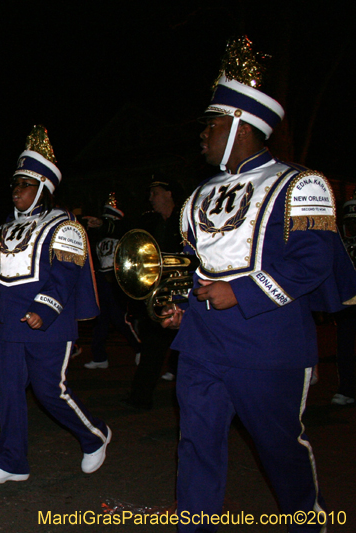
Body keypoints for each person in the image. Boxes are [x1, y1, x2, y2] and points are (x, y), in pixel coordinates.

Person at [163, 37, 356, 532]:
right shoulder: (198, 195)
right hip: (202, 344)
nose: (202, 135)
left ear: (239, 127)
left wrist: (241, 292)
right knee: (196, 444)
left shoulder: (301, 184)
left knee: (278, 449)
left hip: (269, 344)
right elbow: (198, 266)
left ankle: (306, 519)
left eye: (211, 124)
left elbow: (314, 263)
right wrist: (184, 307)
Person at [0, 125, 110, 484]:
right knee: (7, 392)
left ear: (43, 189)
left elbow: (66, 274)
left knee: (50, 390)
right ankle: (12, 461)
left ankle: (94, 434)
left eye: (24, 185)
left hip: (47, 321)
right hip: (7, 323)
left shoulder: (64, 225)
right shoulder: (6, 227)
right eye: (15, 185)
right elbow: (7, 275)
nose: (16, 192)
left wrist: (44, 309)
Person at [123, 176, 184, 408]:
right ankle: (141, 397)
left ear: (169, 194)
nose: (151, 198)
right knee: (152, 344)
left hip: (184, 294)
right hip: (160, 293)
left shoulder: (185, 219)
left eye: (155, 193)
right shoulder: (152, 222)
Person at [82, 192, 141, 369]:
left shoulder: (123, 231)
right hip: (101, 278)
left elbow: (118, 229)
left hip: (115, 279)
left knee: (119, 317)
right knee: (100, 319)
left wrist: (104, 224)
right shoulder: (99, 238)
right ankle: (99, 357)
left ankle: (139, 348)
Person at [332, 195, 356, 405]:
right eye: (351, 224)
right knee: (346, 347)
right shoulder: (342, 245)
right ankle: (347, 389)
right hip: (348, 305)